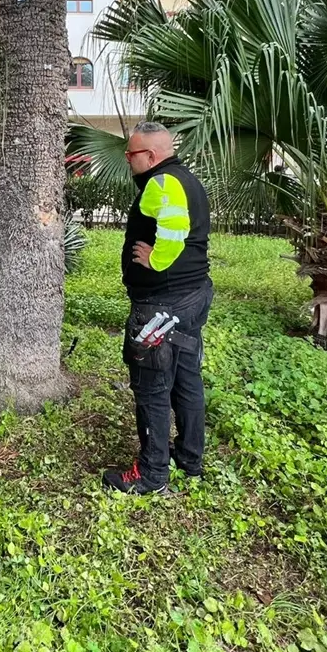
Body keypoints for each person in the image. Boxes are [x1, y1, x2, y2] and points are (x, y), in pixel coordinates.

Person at [103, 122, 213, 495]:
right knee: (186, 378)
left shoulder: (162, 182)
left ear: (150, 156)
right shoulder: (188, 179)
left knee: (151, 387)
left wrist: (158, 260)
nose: (127, 159)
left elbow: (174, 225)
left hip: (162, 305)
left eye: (131, 153)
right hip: (193, 295)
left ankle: (151, 475)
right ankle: (190, 458)